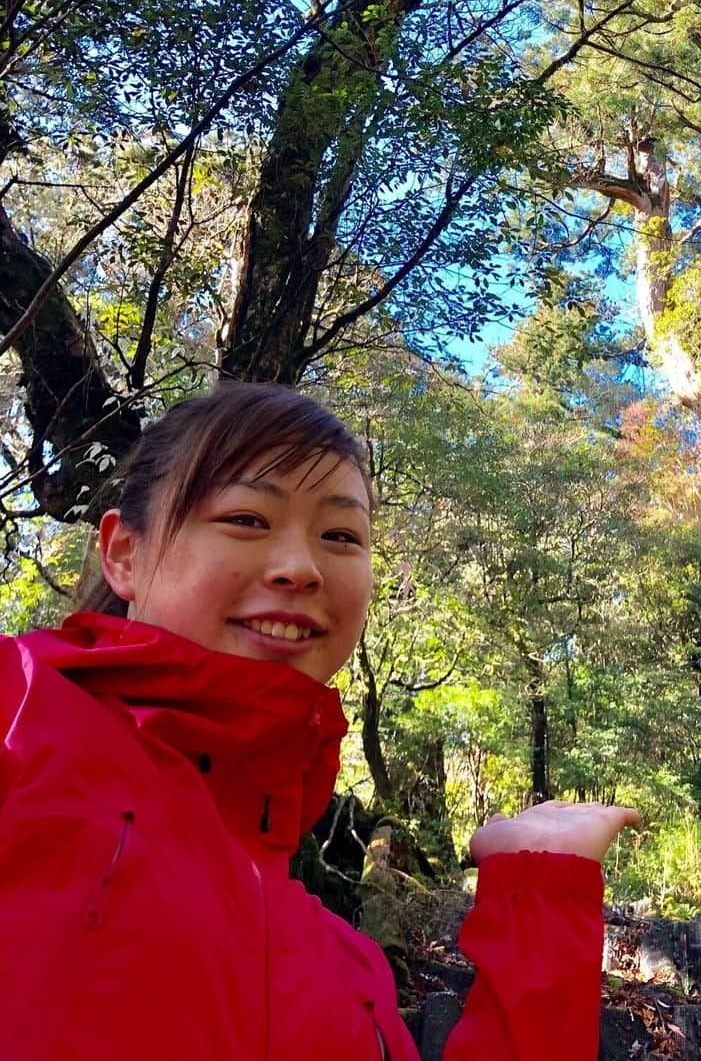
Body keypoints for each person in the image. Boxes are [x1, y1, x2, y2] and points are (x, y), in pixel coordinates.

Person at [0, 383, 639, 1060]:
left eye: (340, 535)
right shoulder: (21, 708)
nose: (301, 568)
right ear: (124, 554)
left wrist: (537, 907)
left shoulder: (348, 974)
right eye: (247, 519)